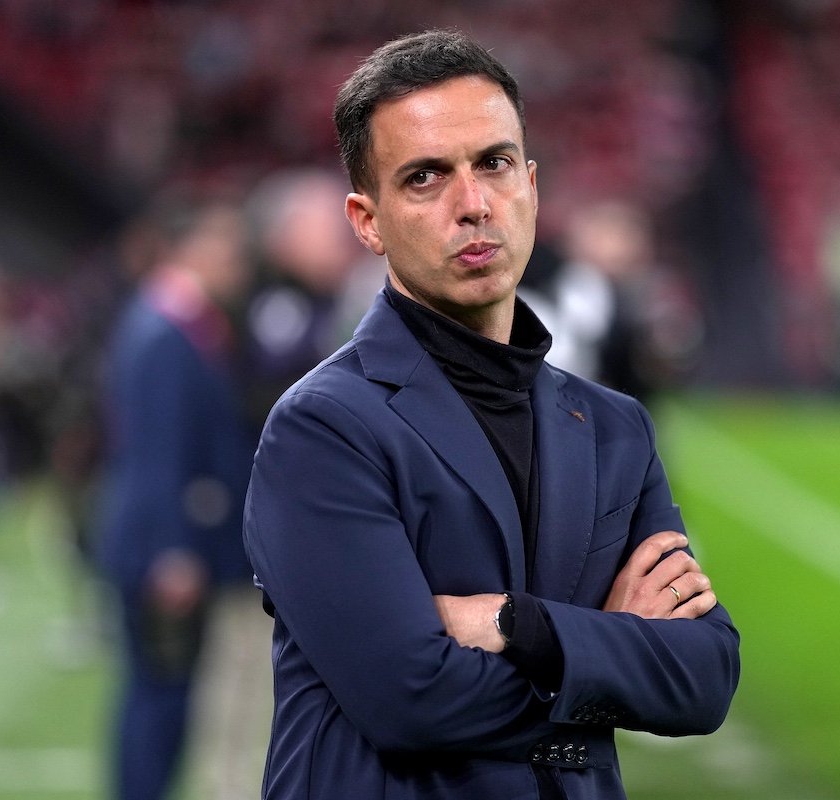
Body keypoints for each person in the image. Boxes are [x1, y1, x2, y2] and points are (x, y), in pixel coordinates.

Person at [243, 29, 740, 800]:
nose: (473, 205)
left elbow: (704, 677)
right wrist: (610, 649)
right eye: (425, 177)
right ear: (367, 221)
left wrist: (517, 624)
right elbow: (411, 700)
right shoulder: (322, 428)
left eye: (495, 164)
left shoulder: (615, 428)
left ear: (531, 186)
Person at [94, 200, 267, 800]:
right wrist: (171, 549)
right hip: (160, 545)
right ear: (191, 248)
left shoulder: (175, 322)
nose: (239, 262)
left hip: (166, 538)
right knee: (159, 697)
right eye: (227, 247)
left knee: (165, 695)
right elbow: (156, 450)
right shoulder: (164, 329)